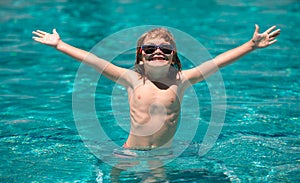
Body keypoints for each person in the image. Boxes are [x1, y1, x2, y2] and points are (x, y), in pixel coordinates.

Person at [32, 25, 280, 151]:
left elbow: (215, 63)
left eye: (165, 49)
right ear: (140, 56)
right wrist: (60, 45)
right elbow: (94, 61)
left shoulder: (182, 80)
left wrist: (250, 46)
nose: (158, 52)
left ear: (174, 56)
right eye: (150, 49)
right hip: (130, 151)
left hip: (162, 154)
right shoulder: (130, 78)